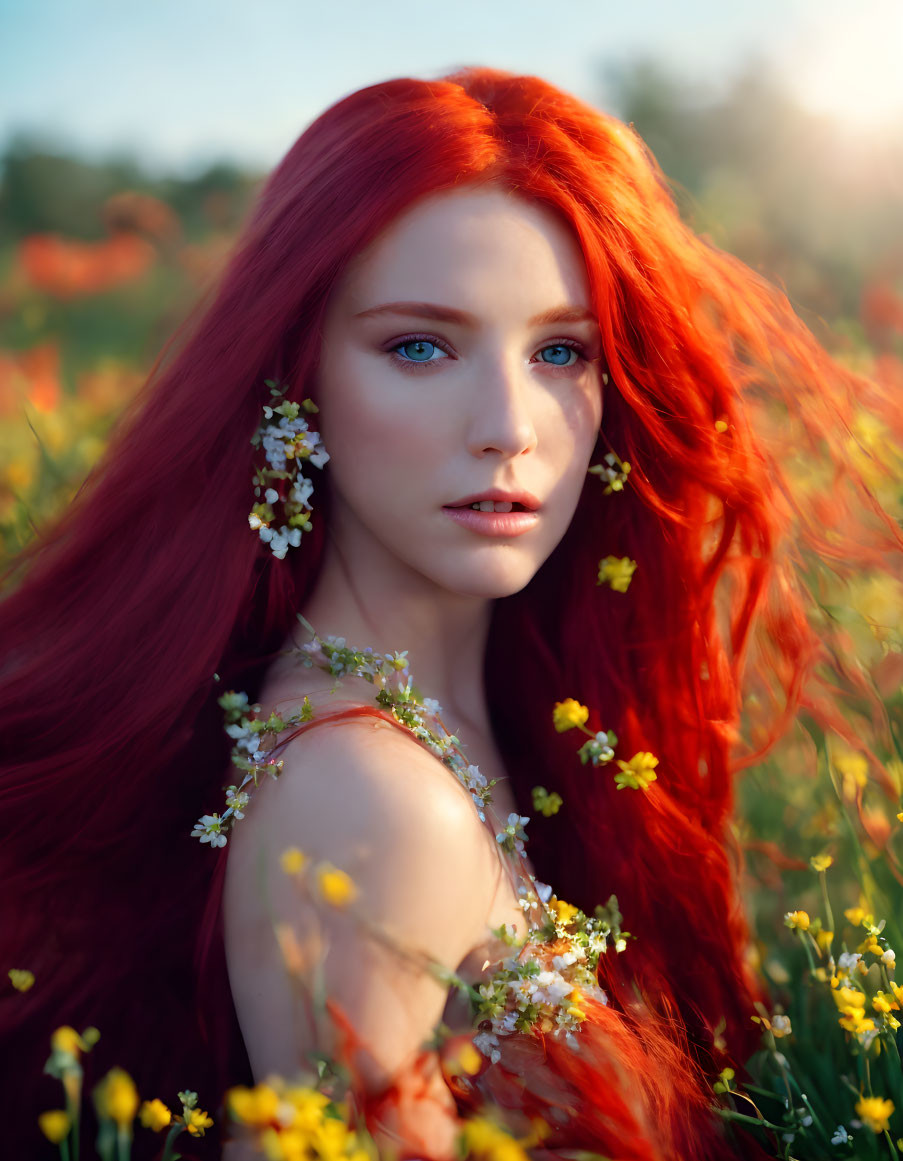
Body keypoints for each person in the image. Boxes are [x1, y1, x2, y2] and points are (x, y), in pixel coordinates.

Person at [1, 66, 899, 1161]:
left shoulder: (488, 720)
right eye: (420, 346)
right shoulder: (367, 803)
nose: (507, 425)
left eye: (560, 351)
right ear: (295, 380)